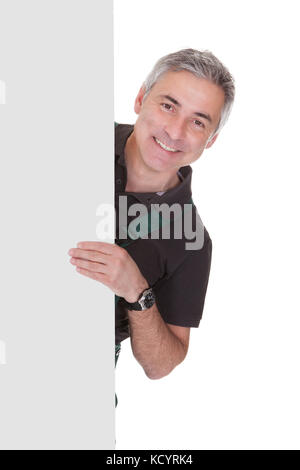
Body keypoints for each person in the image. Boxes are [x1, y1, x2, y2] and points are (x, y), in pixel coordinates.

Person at [68, 48, 235, 407]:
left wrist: (137, 292)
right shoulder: (72, 136)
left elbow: (162, 364)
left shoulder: (191, 241)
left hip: (75, 391)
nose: (174, 131)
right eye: (168, 105)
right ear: (141, 98)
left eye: (198, 122)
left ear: (211, 140)